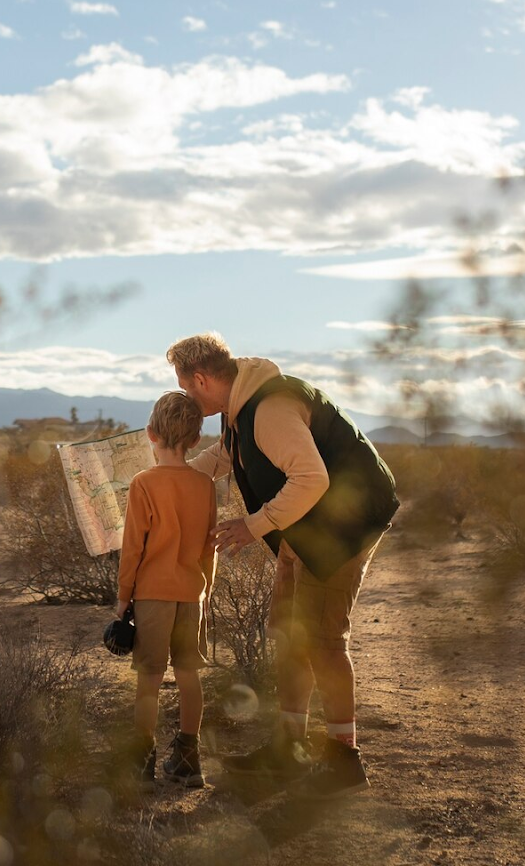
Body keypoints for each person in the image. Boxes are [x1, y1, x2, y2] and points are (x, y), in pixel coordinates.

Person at [167, 332, 399, 799]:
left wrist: (254, 526)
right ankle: (289, 748)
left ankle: (343, 759)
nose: (189, 400)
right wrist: (170, 474)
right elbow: (227, 457)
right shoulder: (239, 407)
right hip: (307, 525)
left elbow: (312, 479)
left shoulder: (269, 409)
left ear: (200, 379)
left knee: (324, 641)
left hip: (342, 528)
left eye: (188, 389)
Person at [116, 390, 219, 789]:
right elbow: (210, 547)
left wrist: (123, 598)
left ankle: (142, 764)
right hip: (192, 594)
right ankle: (189, 762)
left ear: (150, 434)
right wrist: (205, 590)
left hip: (152, 596)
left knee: (149, 679)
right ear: (196, 440)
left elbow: (132, 549)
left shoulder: (143, 483)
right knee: (190, 675)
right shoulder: (205, 485)